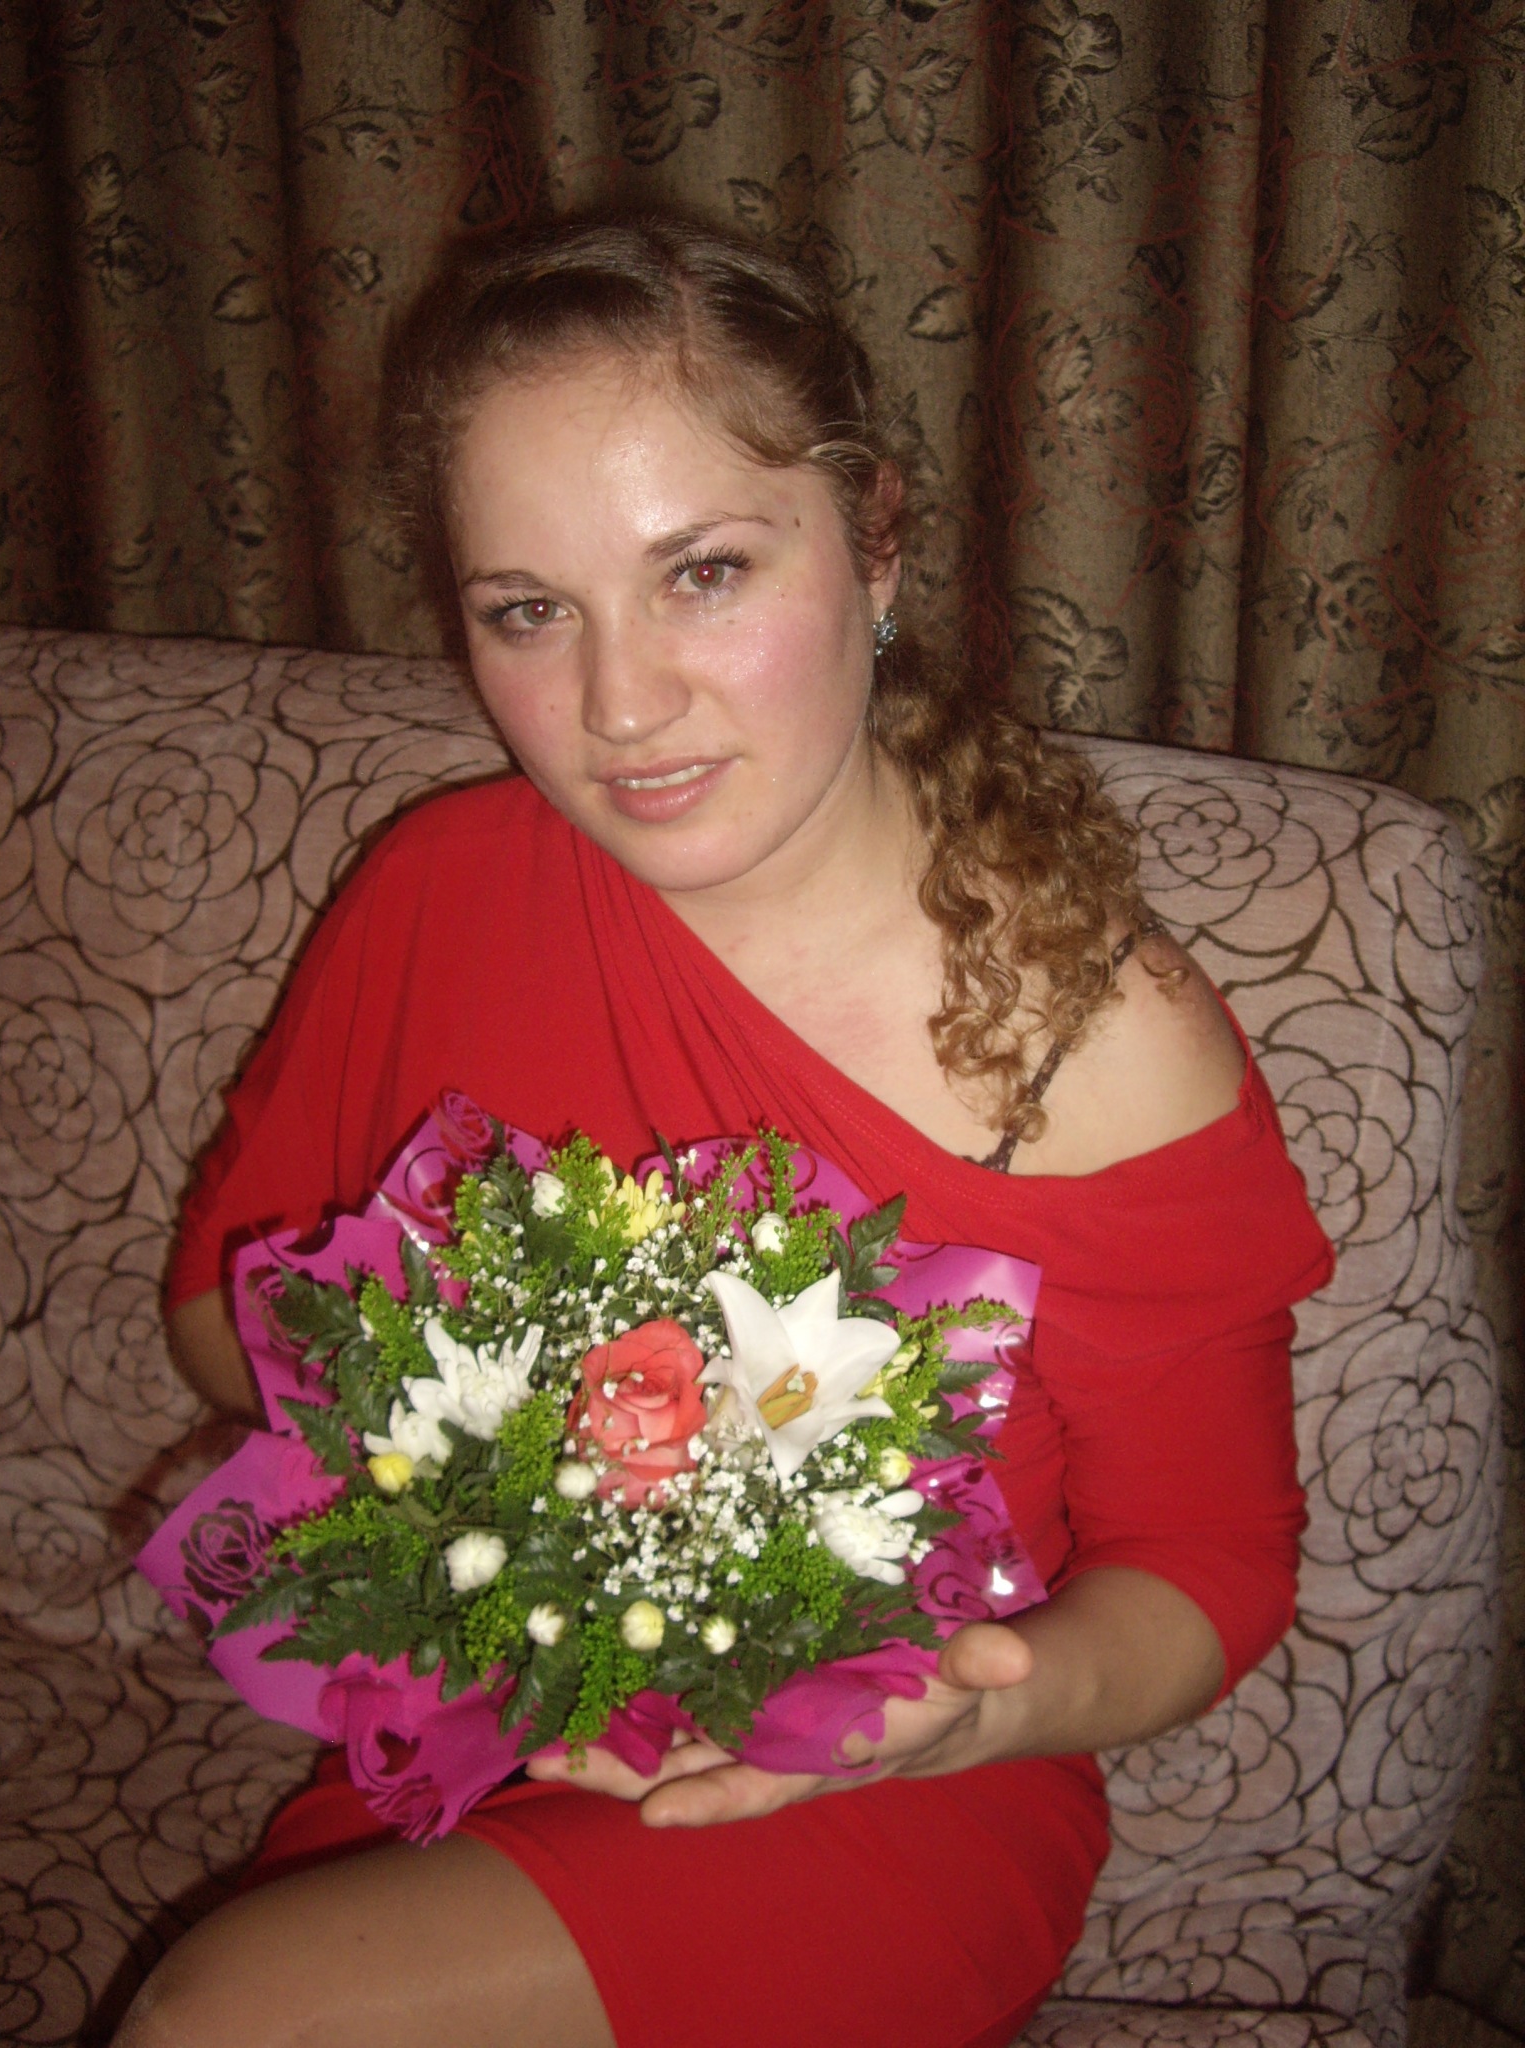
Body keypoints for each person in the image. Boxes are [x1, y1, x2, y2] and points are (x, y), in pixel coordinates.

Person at [116, 213, 1332, 2048]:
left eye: (702, 573)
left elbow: (1211, 1563)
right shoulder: (441, 885)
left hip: (878, 1803)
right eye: (529, 611)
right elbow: (219, 1312)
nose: (620, 707)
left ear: (877, 538)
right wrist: (482, 1427)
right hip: (474, 1733)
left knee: (228, 2020)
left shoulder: (1095, 1037)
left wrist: (978, 1704)